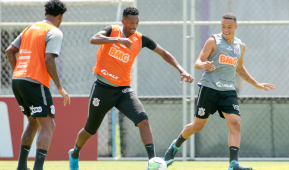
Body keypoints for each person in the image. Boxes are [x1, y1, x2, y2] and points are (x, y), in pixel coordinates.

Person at [68, 6, 194, 170]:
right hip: (102, 88)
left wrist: (181, 69)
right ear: (123, 21)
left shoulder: (141, 39)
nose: (134, 26)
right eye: (131, 23)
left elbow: (164, 53)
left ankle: (153, 162)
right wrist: (118, 40)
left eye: (137, 23)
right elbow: (94, 39)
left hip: (123, 91)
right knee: (90, 130)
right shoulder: (112, 31)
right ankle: (75, 153)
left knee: (143, 120)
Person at [163, 13, 275, 170]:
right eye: (223, 25)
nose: (225, 29)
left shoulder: (240, 46)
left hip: (228, 90)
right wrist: (203, 65)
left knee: (235, 124)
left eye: (229, 26)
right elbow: (197, 62)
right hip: (209, 88)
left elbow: (240, 68)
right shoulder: (213, 41)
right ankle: (173, 148)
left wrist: (256, 84)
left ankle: (233, 164)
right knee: (197, 125)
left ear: (235, 27)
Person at [5, 1, 70, 170]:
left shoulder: (30, 28)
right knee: (48, 126)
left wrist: (19, 70)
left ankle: (21, 166)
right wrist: (60, 87)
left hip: (17, 80)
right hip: (35, 82)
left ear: (45, 13)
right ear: (61, 16)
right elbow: (49, 59)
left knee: (33, 123)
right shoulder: (54, 31)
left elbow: (9, 51)